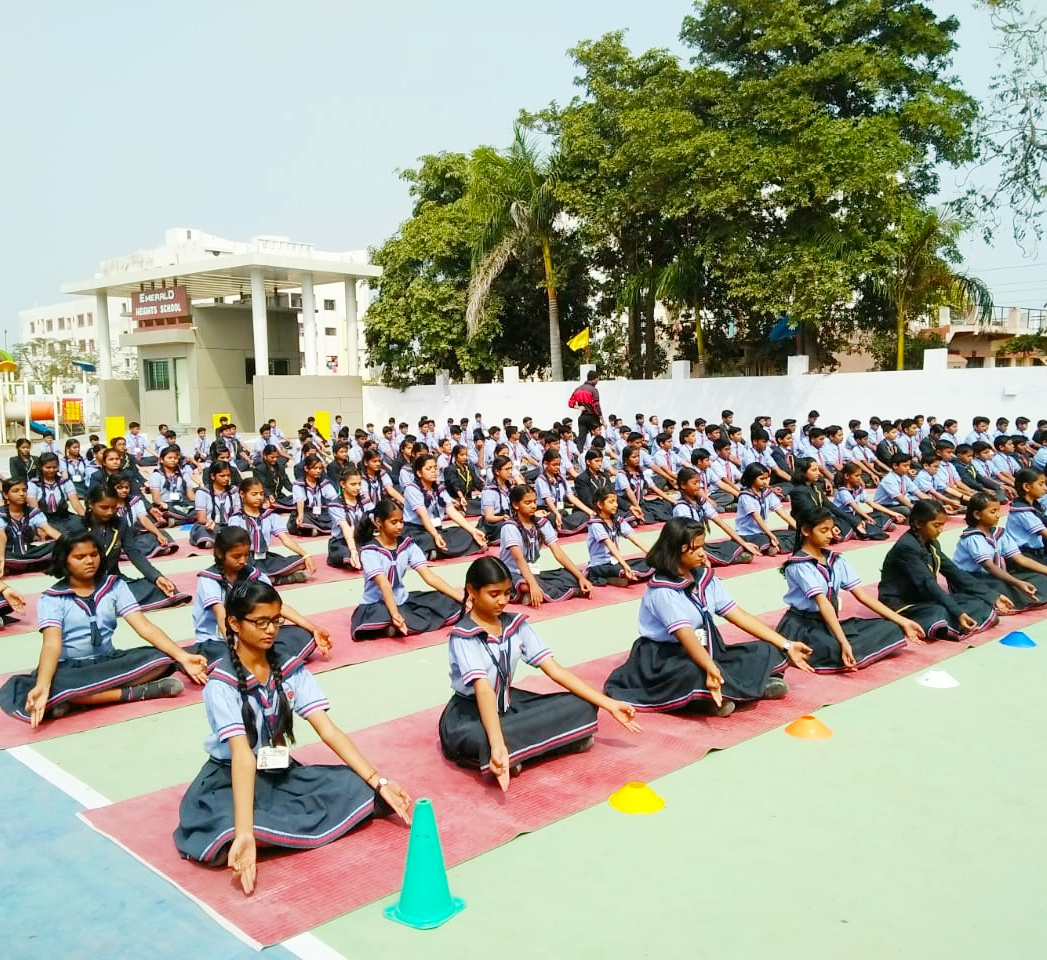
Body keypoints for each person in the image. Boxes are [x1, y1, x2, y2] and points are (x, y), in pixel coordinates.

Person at [173, 579, 411, 893]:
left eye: (276, 621)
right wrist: (244, 833)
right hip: (228, 779)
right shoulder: (221, 685)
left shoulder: (289, 668)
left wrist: (378, 781)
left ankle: (269, 833)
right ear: (234, 623)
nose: (271, 629)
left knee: (356, 786)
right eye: (261, 622)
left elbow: (327, 729)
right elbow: (242, 756)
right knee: (226, 827)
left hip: (275, 770)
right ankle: (251, 835)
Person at [438, 557, 639, 791]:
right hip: (470, 713)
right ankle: (507, 750)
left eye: (506, 593)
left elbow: (555, 670)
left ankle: (513, 753)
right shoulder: (463, 636)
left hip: (508, 703)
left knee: (582, 704)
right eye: (494, 594)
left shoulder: (516, 625)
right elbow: (483, 690)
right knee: (482, 739)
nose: (502, 601)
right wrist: (497, 742)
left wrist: (609, 704)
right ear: (472, 591)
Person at [604, 518, 812, 714]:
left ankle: (728, 690)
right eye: (695, 549)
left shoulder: (705, 580)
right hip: (666, 658)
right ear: (676, 550)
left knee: (767, 649)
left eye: (703, 546)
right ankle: (716, 696)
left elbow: (739, 615)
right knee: (694, 672)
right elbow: (686, 636)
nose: (702, 554)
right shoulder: (663, 592)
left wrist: (787, 644)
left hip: (708, 649)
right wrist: (710, 668)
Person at [0, 532, 209, 726]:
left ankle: (78, 699)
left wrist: (183, 657)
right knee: (52, 685)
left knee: (161, 658)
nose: (89, 561)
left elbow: (144, 627)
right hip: (71, 669)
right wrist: (43, 684)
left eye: (94, 554)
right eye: (80, 557)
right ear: (64, 560)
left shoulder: (114, 585)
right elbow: (51, 645)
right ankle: (138, 692)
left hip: (108, 661)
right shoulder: (51, 598)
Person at [775, 508, 924, 672]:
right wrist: (843, 642)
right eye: (823, 530)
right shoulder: (799, 565)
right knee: (836, 648)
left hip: (828, 623)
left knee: (890, 626)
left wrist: (902, 621)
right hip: (803, 627)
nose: (830, 535)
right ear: (805, 531)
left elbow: (863, 596)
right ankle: (842, 650)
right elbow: (823, 604)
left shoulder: (835, 560)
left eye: (831, 529)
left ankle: (847, 650)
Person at [193, 527, 330, 662]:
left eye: (246, 555)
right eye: (236, 556)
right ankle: (261, 658)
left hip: (252, 633)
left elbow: (277, 606)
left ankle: (258, 659)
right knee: (220, 653)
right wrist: (236, 646)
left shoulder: (253, 574)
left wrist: (313, 628)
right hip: (218, 639)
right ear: (219, 553)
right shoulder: (209, 580)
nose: (243, 560)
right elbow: (220, 614)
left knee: (303, 634)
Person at [878, 500, 1005, 640]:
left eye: (942, 525)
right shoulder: (906, 547)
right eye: (936, 525)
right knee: (940, 612)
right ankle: (950, 623)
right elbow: (927, 583)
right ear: (918, 523)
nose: (940, 530)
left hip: (924, 598)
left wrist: (992, 596)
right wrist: (958, 613)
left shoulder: (931, 543)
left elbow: (954, 572)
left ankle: (958, 621)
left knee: (976, 600)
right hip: (903, 603)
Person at [350, 499, 464, 640]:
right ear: (379, 522)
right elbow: (384, 584)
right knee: (381, 614)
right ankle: (393, 621)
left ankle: (392, 626)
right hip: (376, 604)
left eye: (401, 521)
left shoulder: (407, 544)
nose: (399, 526)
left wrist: (462, 598)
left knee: (447, 601)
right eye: (394, 522)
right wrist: (395, 614)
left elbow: (429, 577)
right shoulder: (369, 551)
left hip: (402, 599)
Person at [84, 483, 193, 611]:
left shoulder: (120, 523)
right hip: (86, 584)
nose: (109, 512)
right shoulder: (79, 527)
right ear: (90, 504)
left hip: (113, 581)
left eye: (113, 507)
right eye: (104, 507)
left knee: (162, 587)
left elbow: (134, 553)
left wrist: (157, 577)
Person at [500, 484, 593, 605]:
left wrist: (580, 577)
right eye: (528, 503)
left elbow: (558, 553)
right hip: (513, 574)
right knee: (524, 585)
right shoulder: (510, 527)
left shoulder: (542, 523)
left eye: (534, 501)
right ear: (515, 505)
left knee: (579, 574)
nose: (533, 506)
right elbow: (519, 559)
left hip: (534, 573)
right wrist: (533, 585)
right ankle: (570, 591)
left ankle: (537, 593)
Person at [953, 493, 1047, 610]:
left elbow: (1020, 559)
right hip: (973, 579)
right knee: (1003, 587)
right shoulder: (973, 538)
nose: (998, 515)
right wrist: (1017, 583)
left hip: (994, 575)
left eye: (998, 511)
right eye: (993, 512)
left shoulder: (998, 534)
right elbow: (990, 567)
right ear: (977, 514)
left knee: (1039, 578)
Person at [229, 478, 316, 584]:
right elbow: (233, 546)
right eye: (254, 494)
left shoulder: (270, 516)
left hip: (265, 557)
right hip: (247, 559)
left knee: (302, 562)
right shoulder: (237, 519)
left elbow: (285, 539)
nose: (259, 497)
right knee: (242, 574)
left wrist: (306, 555)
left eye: (261, 494)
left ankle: (267, 579)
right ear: (242, 494)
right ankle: (281, 579)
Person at [401, 454, 487, 558]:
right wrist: (435, 535)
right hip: (416, 530)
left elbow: (452, 512)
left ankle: (436, 552)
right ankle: (432, 550)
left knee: (464, 532)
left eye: (435, 468)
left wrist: (472, 531)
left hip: (436, 528)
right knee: (427, 539)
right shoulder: (412, 489)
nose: (433, 471)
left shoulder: (439, 488)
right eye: (429, 468)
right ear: (419, 473)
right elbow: (423, 516)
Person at [672, 466, 758, 566]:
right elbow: (687, 536)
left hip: (699, 545)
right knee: (700, 554)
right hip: (687, 547)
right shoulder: (681, 507)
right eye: (694, 483)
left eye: (699, 483)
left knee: (734, 544)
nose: (698, 486)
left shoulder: (701, 502)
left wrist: (743, 543)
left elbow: (721, 523)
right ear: (683, 485)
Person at [585, 490, 653, 587]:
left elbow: (635, 539)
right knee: (621, 570)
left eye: (616, 501)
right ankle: (615, 576)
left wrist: (653, 555)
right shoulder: (595, 524)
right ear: (600, 504)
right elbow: (610, 544)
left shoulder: (617, 520)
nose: (616, 505)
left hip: (616, 562)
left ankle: (620, 577)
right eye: (611, 502)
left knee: (649, 562)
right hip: (600, 565)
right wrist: (625, 565)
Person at [111, 473, 178, 560]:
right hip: (114, 538)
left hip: (132, 535)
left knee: (160, 533)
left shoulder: (135, 501)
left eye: (126, 487)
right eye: (120, 488)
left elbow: (144, 519)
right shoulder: (107, 503)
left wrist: (158, 534)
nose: (124, 490)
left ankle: (143, 550)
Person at [734, 464, 796, 556]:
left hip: (763, 532)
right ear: (752, 479)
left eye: (767, 478)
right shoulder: (745, 496)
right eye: (762, 479)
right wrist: (771, 535)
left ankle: (775, 546)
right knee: (765, 539)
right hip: (747, 534)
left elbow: (782, 513)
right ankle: (773, 546)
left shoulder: (768, 493)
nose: (765, 482)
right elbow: (757, 518)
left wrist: (799, 529)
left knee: (794, 534)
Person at [0, 478, 56, 574]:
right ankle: (29, 565)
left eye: (24, 490)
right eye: (16, 491)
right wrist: (1, 559)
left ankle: (20, 566)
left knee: (60, 545)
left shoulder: (33, 512)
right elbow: (1, 537)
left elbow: (49, 529)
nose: (21, 494)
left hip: (29, 553)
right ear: (5, 495)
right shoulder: (1, 513)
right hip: (7, 554)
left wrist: (68, 542)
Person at [26, 453, 87, 537]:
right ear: (41, 467)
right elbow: (34, 509)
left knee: (80, 527)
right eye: (48, 467)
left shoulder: (65, 482)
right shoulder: (33, 484)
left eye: (54, 467)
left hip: (64, 516)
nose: (51, 470)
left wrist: (85, 518)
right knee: (60, 534)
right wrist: (40, 527)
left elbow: (75, 502)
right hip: (45, 519)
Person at [327, 466, 367, 570]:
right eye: (353, 484)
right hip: (342, 541)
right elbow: (345, 528)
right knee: (347, 554)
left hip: (362, 539)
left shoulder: (365, 501)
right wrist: (353, 550)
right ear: (343, 484)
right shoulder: (335, 505)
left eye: (359, 484)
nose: (357, 487)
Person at [1004, 468, 1047, 563]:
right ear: (1026, 487)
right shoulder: (1023, 512)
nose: (1045, 488)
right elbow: (1045, 533)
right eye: (1041, 484)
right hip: (1027, 555)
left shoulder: (1035, 505)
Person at [289, 455, 339, 537]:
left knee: (336, 518)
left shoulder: (324, 483)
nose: (318, 471)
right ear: (306, 469)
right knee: (301, 521)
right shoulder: (299, 484)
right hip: (306, 513)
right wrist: (300, 516)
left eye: (320, 468)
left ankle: (315, 530)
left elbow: (334, 498)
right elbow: (300, 501)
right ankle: (313, 529)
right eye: (315, 468)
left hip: (322, 513)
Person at [148, 445, 197, 525]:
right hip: (166, 505)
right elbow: (156, 498)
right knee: (159, 512)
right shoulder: (156, 475)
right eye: (169, 458)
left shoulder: (183, 474)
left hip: (181, 504)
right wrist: (162, 504)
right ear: (161, 460)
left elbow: (191, 496)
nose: (173, 460)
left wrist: (200, 503)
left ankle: (176, 521)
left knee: (199, 509)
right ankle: (184, 519)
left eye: (175, 458)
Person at [480, 455, 515, 542]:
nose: (510, 472)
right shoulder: (490, 491)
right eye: (507, 469)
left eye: (511, 468)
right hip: (495, 524)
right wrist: (502, 517)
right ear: (497, 471)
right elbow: (489, 517)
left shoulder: (510, 488)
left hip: (507, 518)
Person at [568, 370, 604, 448]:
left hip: (582, 417)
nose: (597, 381)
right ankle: (597, 453)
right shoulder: (594, 390)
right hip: (592, 417)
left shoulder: (578, 389)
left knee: (581, 439)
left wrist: (579, 407)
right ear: (594, 379)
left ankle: (578, 453)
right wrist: (603, 421)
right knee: (597, 437)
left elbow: (570, 403)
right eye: (597, 379)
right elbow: (597, 406)